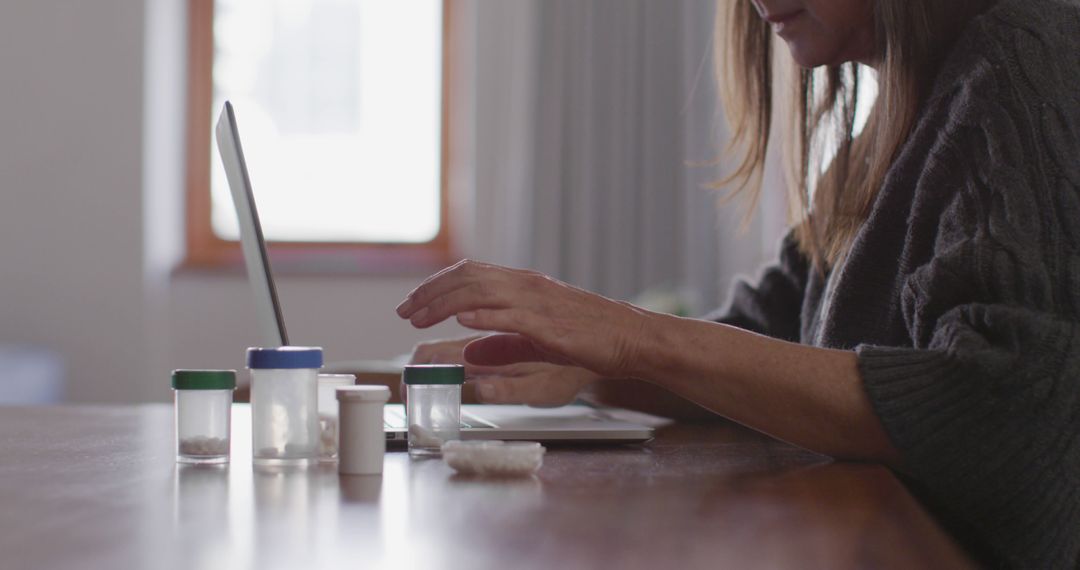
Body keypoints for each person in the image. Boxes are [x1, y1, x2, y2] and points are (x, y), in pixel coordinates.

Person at [396, 0, 1080, 566]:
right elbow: (769, 330)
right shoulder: (896, 118)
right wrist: (586, 364)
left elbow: (998, 402)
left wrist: (636, 338)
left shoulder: (1026, 55)